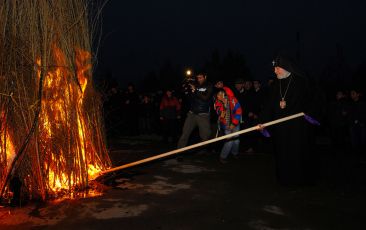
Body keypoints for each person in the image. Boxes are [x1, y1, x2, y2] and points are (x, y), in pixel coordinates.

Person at [259, 55, 320, 186]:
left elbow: (314, 100)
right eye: (274, 69)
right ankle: (284, 179)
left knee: (297, 154)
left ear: (287, 68)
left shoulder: (301, 82)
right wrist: (263, 121)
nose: (275, 71)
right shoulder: (276, 84)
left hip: (298, 128)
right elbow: (269, 105)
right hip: (281, 128)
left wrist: (309, 114)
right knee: (282, 153)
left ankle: (300, 179)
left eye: (278, 68)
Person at [177, 73, 213, 148]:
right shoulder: (195, 85)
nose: (199, 79)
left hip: (203, 114)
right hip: (192, 114)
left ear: (205, 77)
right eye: (198, 78)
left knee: (205, 136)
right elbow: (188, 98)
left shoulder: (209, 85)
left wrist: (196, 90)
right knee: (185, 133)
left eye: (201, 77)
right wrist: (186, 90)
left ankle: (203, 150)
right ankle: (179, 152)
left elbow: (205, 98)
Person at [215, 89, 242, 163]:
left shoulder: (233, 99)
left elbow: (239, 111)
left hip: (235, 123)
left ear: (225, 94)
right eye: (218, 94)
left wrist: (234, 123)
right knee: (229, 141)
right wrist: (224, 105)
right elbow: (220, 114)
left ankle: (234, 153)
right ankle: (222, 157)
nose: (220, 96)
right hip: (226, 125)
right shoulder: (217, 103)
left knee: (236, 141)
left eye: (221, 94)